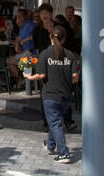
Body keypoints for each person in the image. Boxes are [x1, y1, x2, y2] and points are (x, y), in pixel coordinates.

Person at [26, 25, 81, 164]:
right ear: (64, 39)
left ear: (50, 37)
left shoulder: (45, 54)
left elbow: (41, 74)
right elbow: (75, 77)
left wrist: (30, 78)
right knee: (55, 121)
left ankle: (63, 152)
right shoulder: (70, 55)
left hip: (51, 95)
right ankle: (50, 145)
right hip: (67, 95)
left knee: (55, 123)